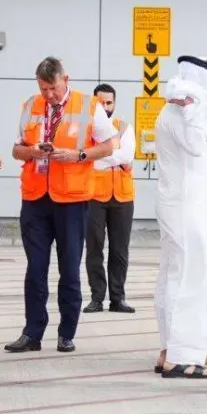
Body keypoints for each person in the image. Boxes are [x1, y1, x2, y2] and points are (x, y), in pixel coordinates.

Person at [5, 57, 119, 354]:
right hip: (36, 199)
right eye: (43, 89)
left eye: (53, 88)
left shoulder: (87, 105)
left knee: (69, 268)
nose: (49, 95)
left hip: (71, 200)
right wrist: (32, 151)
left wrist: (79, 155)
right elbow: (16, 149)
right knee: (35, 269)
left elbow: (110, 144)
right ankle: (32, 333)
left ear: (65, 79)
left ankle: (66, 332)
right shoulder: (31, 105)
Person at [152, 75, 207, 379]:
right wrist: (191, 111)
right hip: (182, 208)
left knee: (182, 277)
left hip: (188, 207)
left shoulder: (189, 114)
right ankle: (180, 357)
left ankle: (172, 352)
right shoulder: (178, 114)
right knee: (184, 280)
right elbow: (196, 147)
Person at [85, 84, 137, 315]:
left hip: (123, 197)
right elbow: (89, 160)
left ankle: (118, 298)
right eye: (101, 102)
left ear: (114, 103)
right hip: (94, 195)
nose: (105, 107)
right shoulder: (87, 129)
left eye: (109, 102)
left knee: (119, 250)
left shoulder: (125, 127)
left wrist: (102, 155)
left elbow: (127, 155)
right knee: (94, 247)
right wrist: (114, 158)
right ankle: (97, 297)